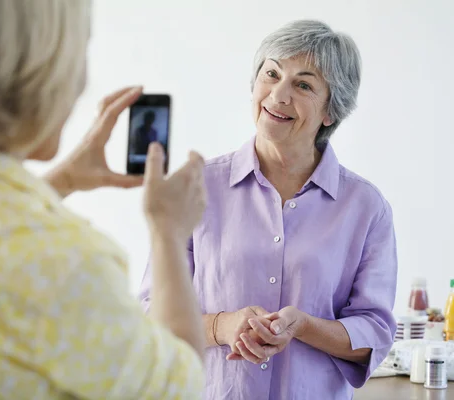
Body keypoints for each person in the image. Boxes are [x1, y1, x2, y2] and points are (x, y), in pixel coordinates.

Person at [0, 1, 206, 399]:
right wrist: (167, 232)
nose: (82, 82)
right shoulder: (64, 265)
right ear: (36, 72)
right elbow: (177, 386)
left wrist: (61, 181)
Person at [139, 19, 398, 399]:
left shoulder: (365, 207)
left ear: (331, 111)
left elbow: (374, 334)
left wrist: (304, 326)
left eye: (304, 85)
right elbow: (150, 311)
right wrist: (222, 327)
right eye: (271, 73)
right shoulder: (198, 187)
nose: (278, 95)